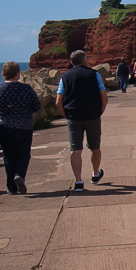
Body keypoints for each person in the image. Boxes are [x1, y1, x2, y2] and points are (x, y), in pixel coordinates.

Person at [55, 50, 107, 192]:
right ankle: (95, 174)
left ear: (71, 62)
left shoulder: (65, 77)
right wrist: (99, 112)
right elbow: (104, 97)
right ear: (84, 60)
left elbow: (58, 101)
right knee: (95, 147)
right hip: (92, 116)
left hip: (73, 117)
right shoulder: (94, 74)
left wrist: (66, 116)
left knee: (75, 149)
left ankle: (78, 181)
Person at [0, 62, 41, 195]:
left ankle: (11, 187)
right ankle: (19, 175)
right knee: (23, 154)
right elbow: (36, 106)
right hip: (24, 126)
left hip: (5, 126)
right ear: (17, 74)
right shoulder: (26, 89)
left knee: (8, 156)